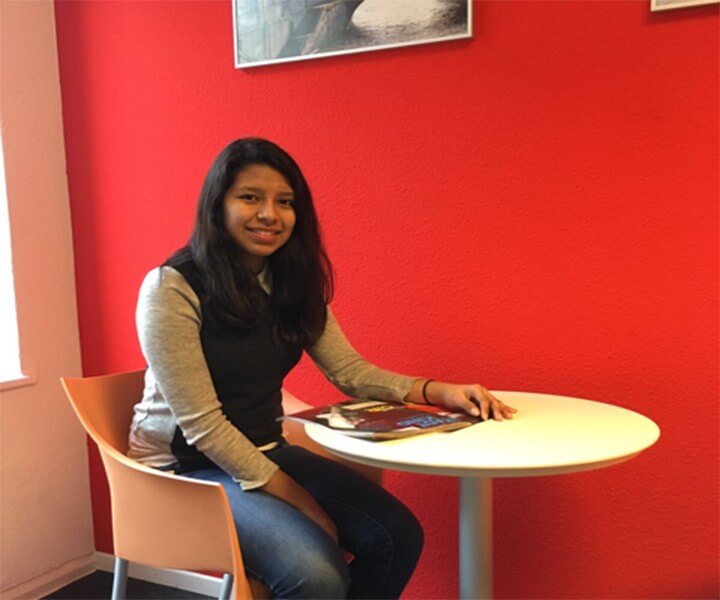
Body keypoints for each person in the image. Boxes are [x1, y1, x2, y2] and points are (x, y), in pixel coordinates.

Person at [129, 137, 517, 599]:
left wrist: (437, 391)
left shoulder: (291, 283)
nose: (270, 214)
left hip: (265, 448)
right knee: (317, 575)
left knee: (396, 536)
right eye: (250, 197)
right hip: (184, 468)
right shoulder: (172, 287)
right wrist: (301, 502)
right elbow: (203, 426)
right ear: (218, 205)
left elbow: (348, 371)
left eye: (285, 202)